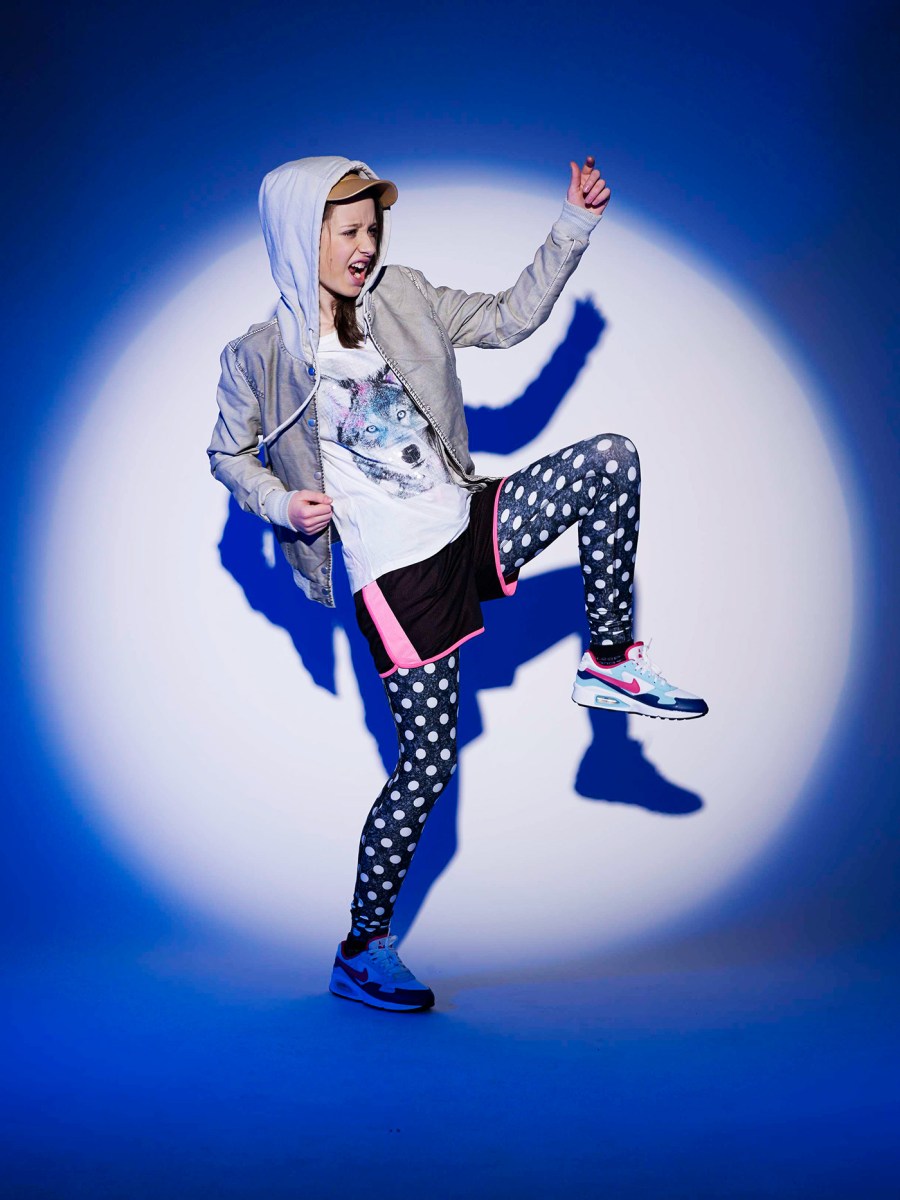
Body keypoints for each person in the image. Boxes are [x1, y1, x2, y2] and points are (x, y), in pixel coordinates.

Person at [208, 153, 708, 1013]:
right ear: (300, 236)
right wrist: (280, 504)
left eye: (373, 230)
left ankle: (610, 663)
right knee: (427, 768)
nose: (367, 247)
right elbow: (228, 452)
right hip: (398, 577)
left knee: (610, 460)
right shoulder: (258, 356)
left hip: (465, 520)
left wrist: (573, 225)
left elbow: (508, 320)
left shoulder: (402, 295)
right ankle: (362, 949)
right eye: (349, 232)